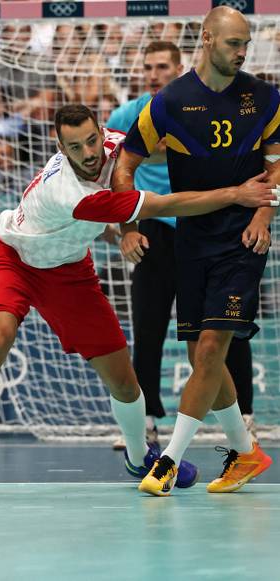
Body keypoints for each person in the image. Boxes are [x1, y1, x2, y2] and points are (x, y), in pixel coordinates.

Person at [0, 103, 277, 497]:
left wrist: (233, 150)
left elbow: (157, 152)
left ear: (100, 131)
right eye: (75, 148)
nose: (89, 153)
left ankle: (139, 455)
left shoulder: (112, 144)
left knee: (125, 382)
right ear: (60, 146)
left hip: (69, 272)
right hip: (14, 259)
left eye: (92, 140)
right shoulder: (70, 194)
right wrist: (237, 192)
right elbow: (165, 205)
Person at [118, 7, 279, 497]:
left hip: (241, 242)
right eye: (234, 43)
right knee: (200, 355)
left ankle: (168, 459)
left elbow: (276, 164)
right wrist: (127, 224)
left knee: (212, 348)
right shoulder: (168, 103)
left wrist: (262, 216)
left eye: (246, 44)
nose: (242, 52)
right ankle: (246, 454)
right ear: (207, 40)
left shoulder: (264, 97)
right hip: (190, 241)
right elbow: (123, 168)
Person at [106, 40, 258, 451]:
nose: (153, 73)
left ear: (180, 68)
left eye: (162, 66)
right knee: (149, 328)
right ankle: (149, 420)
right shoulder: (127, 114)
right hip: (155, 232)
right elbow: (115, 170)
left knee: (227, 327)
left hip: (208, 229)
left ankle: (245, 417)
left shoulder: (202, 106)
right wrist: (127, 229)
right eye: (148, 66)